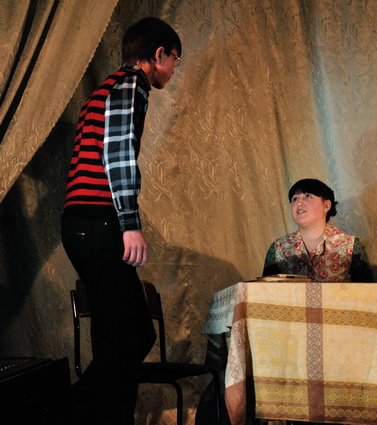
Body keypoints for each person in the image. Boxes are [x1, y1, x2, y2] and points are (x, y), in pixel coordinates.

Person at [60, 17, 182, 425]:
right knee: (126, 336)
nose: (173, 70)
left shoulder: (105, 89)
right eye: (174, 60)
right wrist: (129, 223)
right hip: (98, 220)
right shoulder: (131, 85)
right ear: (158, 54)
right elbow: (118, 156)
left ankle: (86, 414)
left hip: (85, 222)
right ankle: (66, 411)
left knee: (126, 334)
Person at [263, 178, 374, 282]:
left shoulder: (350, 246)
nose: (298, 203)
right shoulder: (278, 248)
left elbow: (368, 292)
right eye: (294, 199)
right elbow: (264, 292)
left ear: (326, 205)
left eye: (307, 196)